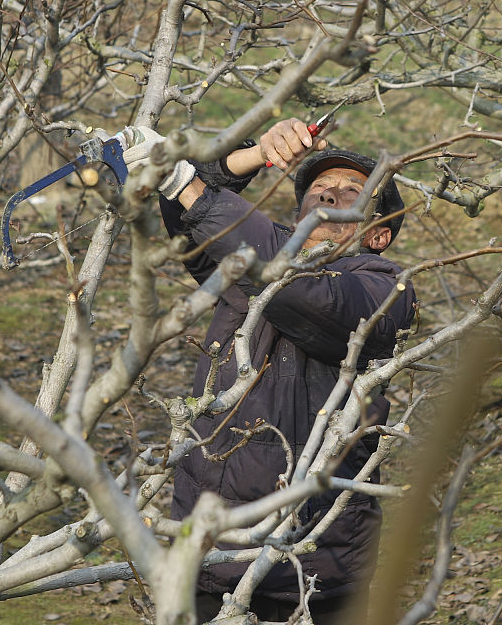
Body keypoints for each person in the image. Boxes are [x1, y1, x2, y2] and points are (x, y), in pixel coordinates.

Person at [136, 118, 417, 624]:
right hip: (206, 556)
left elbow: (305, 292)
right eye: (319, 187)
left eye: (353, 190)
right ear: (297, 213)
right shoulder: (246, 262)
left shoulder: (386, 290)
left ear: (378, 233)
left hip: (311, 569)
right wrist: (254, 154)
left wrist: (184, 183)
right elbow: (192, 224)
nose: (331, 194)